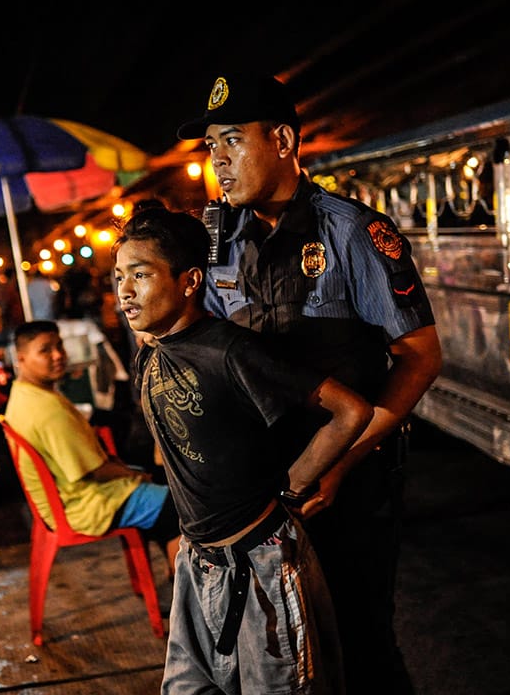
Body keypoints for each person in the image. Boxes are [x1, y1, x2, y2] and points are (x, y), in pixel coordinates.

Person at [176, 72, 443, 694]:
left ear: (284, 141)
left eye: (233, 141)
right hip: (259, 492)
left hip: (346, 486)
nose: (218, 159)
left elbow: (420, 359)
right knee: (281, 657)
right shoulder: (216, 242)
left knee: (361, 643)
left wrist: (341, 464)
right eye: (211, 146)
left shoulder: (352, 233)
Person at [113, 206, 374, 694]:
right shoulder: (152, 350)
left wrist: (294, 485)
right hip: (198, 564)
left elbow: (350, 412)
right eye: (119, 276)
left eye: (141, 275)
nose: (124, 291)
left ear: (190, 281)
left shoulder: (231, 351)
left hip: (262, 567)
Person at [4, 319, 181, 574]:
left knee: (156, 483)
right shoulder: (46, 411)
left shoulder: (22, 394)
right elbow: (95, 470)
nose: (57, 356)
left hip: (67, 498)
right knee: (180, 506)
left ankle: (169, 571)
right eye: (45, 350)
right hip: (85, 503)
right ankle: (185, 590)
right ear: (20, 358)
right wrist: (135, 476)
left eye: (59, 346)